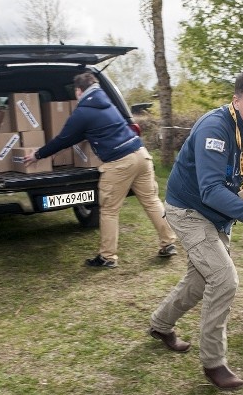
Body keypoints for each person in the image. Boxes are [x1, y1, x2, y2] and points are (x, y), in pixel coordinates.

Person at [147, 67, 243, 391]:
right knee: (224, 279)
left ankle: (160, 325)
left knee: (199, 281)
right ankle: (213, 362)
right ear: (236, 101)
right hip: (189, 211)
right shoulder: (215, 128)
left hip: (217, 217)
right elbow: (211, 190)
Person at [21, 71, 177, 268]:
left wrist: (38, 155)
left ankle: (107, 257)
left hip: (120, 163)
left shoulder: (83, 111)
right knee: (152, 201)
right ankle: (169, 242)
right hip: (141, 155)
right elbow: (83, 133)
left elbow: (64, 138)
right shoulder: (108, 104)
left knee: (110, 211)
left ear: (78, 91)